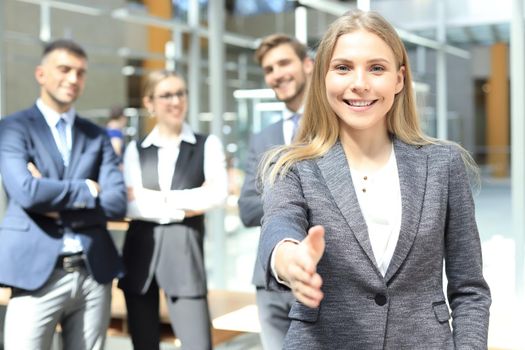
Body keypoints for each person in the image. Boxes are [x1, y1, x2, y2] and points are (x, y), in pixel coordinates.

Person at [258, 10, 491, 349]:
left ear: (399, 80)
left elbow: (469, 288)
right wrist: (290, 260)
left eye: (376, 68)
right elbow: (279, 226)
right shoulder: (293, 166)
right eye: (343, 67)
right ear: (323, 77)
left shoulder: (444, 164)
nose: (360, 83)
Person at [0, 39, 127, 350]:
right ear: (41, 74)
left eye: (80, 73)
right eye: (64, 69)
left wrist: (52, 196)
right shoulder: (13, 128)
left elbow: (115, 201)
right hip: (35, 273)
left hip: (92, 272)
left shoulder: (96, 136)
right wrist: (86, 189)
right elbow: (28, 193)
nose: (73, 79)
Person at [118, 69, 228, 350]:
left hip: (184, 254)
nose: (175, 101)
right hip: (140, 256)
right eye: (166, 95)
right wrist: (187, 201)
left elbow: (216, 196)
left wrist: (153, 198)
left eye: (180, 93)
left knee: (197, 344)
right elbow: (129, 203)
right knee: (144, 344)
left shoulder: (207, 145)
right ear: (149, 103)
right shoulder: (136, 149)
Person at [238, 33, 313, 350]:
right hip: (268, 281)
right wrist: (297, 201)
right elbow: (247, 208)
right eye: (269, 69)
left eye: (284, 63)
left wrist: (275, 196)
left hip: (319, 279)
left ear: (307, 65)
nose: (277, 74)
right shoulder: (263, 137)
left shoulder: (337, 125)